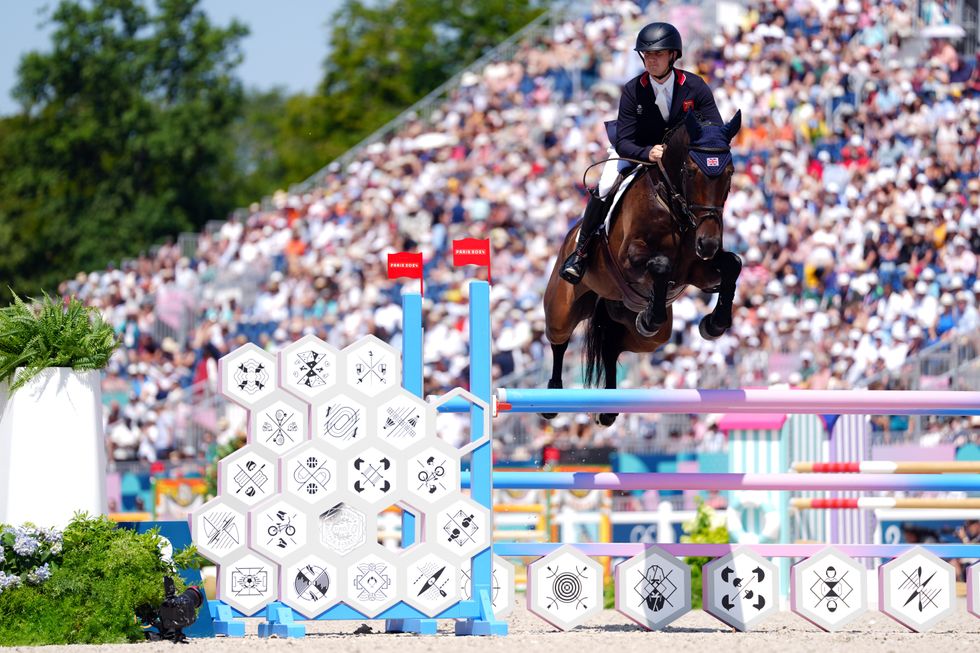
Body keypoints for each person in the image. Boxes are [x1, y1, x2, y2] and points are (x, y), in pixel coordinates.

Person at [560, 22, 723, 284]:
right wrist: (648, 152)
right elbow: (623, 141)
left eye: (657, 54)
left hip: (679, 159)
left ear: (673, 55)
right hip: (635, 151)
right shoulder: (633, 89)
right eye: (647, 55)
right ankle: (581, 252)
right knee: (604, 186)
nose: (651, 60)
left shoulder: (695, 86)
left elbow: (714, 128)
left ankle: (708, 245)